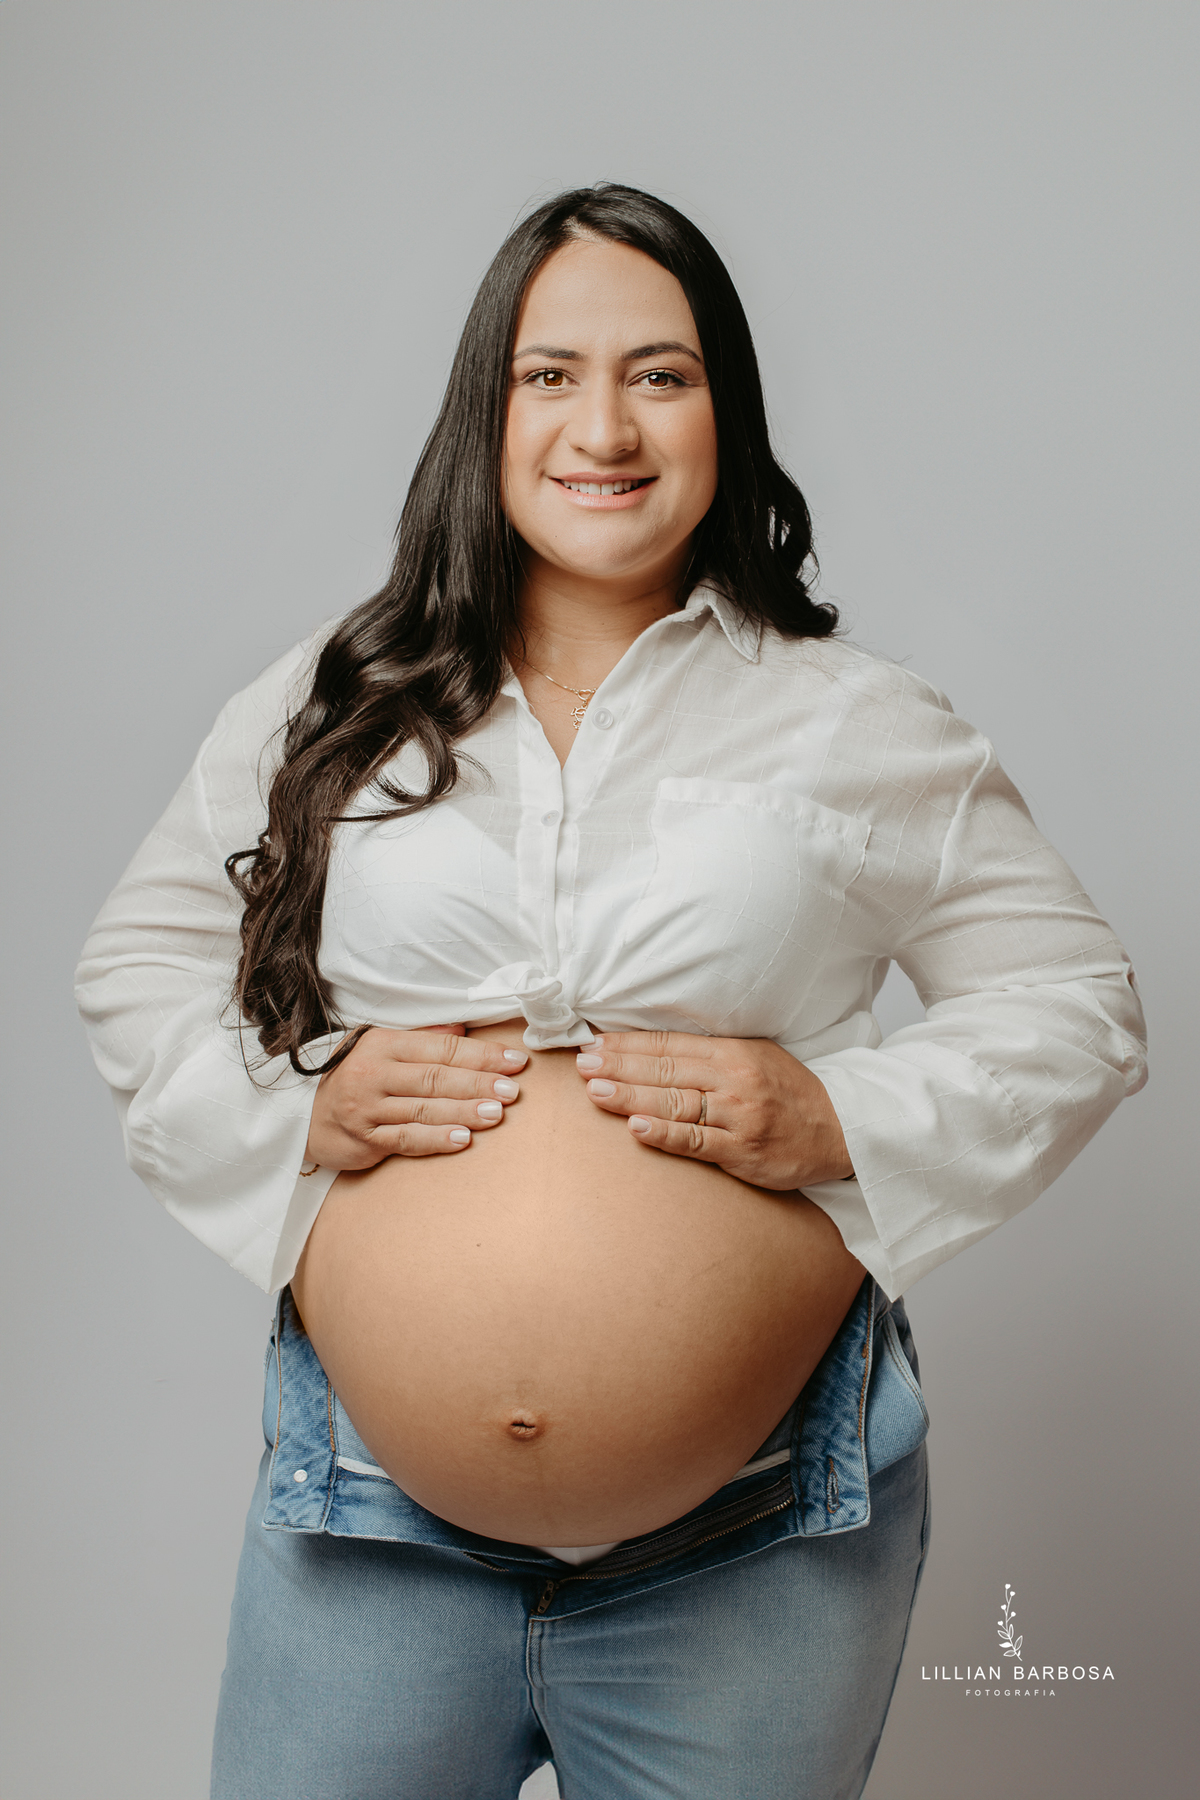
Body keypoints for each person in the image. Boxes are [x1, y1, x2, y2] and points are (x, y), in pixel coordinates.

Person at [75, 184, 1146, 1800]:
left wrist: (836, 1113)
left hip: (760, 1540)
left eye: (662, 373)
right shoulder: (332, 701)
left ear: (728, 411)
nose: (606, 426)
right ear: (484, 416)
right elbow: (141, 962)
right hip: (368, 1520)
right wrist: (299, 1108)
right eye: (548, 374)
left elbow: (1074, 1000)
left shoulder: (854, 722)